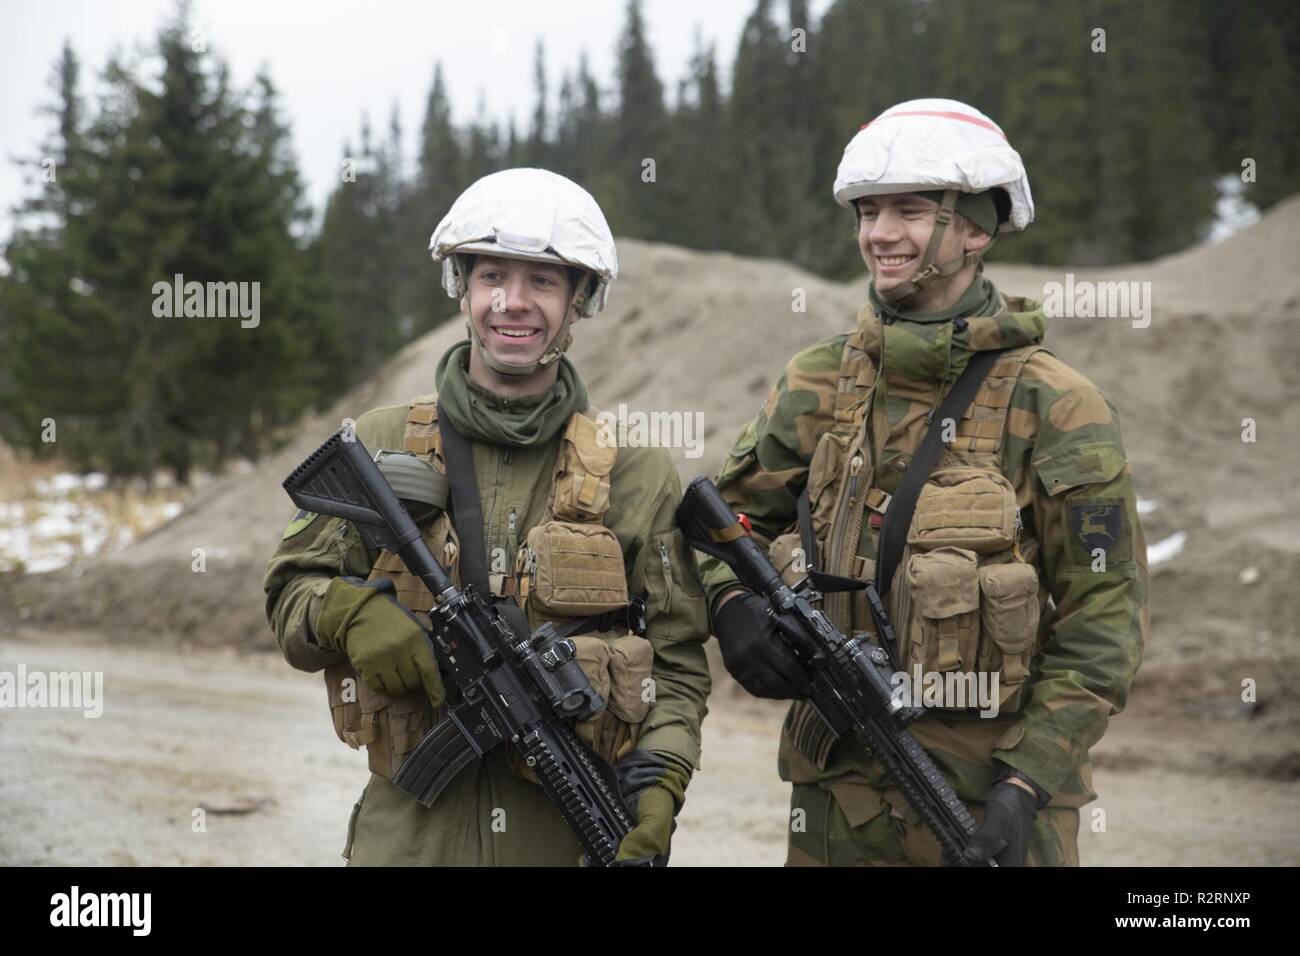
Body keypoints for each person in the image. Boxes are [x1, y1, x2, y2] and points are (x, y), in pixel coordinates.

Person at [698, 99, 1148, 866]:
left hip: (989, 804)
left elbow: (1103, 618)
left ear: (976, 228)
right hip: (837, 803)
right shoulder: (817, 383)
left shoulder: (1057, 405)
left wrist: (1029, 780)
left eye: (909, 210)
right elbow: (721, 520)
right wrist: (731, 601)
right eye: (868, 211)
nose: (878, 233)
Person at [264, 168, 711, 865]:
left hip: (562, 839)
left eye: (543, 281)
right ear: (463, 290)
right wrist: (350, 615)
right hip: (407, 843)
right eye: (493, 276)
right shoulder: (381, 443)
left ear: (578, 301)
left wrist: (662, 780)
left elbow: (678, 662)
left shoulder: (634, 472)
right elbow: (289, 597)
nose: (514, 303)